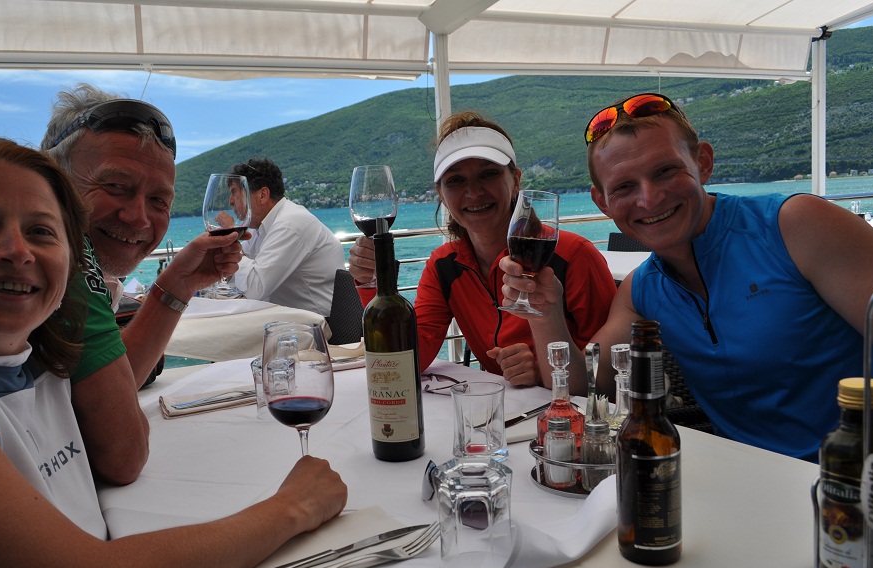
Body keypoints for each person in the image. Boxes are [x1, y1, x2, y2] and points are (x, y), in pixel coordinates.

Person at [0, 135, 347, 568]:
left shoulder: (32, 364)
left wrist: (176, 284)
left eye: (41, 231)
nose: (17, 251)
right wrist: (292, 508)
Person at [500, 92, 873, 459]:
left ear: (703, 163)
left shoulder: (795, 226)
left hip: (856, 473)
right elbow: (583, 386)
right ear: (602, 202)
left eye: (665, 171)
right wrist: (545, 311)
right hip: (748, 478)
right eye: (625, 187)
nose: (649, 198)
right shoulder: (641, 291)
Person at [42, 84, 246, 485]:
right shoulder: (59, 262)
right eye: (115, 187)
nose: (138, 217)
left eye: (159, 201)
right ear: (50, 182)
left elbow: (111, 387)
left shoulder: (80, 268)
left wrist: (179, 284)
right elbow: (121, 454)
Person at [348, 112, 616, 387]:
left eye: (488, 174)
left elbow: (608, 374)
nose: (474, 192)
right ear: (441, 194)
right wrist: (374, 285)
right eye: (455, 180)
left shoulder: (573, 255)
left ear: (516, 181)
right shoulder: (444, 265)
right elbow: (409, 356)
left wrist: (543, 371)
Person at [227, 158, 346, 317]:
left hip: (319, 325)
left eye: (234, 192)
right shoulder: (262, 228)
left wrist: (230, 243)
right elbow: (238, 276)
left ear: (262, 195)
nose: (231, 201)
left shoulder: (290, 224)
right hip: (287, 320)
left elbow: (254, 288)